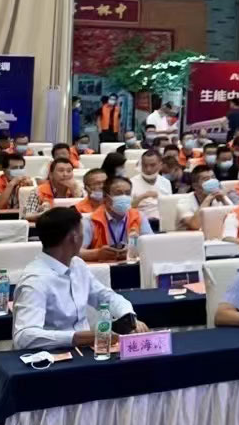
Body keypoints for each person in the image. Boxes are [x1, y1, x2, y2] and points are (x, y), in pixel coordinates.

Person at [12, 206, 149, 349]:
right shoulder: (35, 281)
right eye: (82, 232)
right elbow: (24, 336)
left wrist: (129, 318)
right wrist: (77, 338)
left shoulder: (77, 265)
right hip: (53, 354)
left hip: (88, 349)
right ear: (74, 238)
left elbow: (105, 296)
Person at [84, 173, 142, 258]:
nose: (124, 197)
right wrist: (97, 253)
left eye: (127, 193)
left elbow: (151, 245)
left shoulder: (138, 216)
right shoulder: (90, 221)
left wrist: (134, 250)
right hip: (102, 264)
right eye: (118, 193)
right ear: (105, 197)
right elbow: (77, 252)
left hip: (132, 264)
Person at [129, 148, 172, 226]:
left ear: (160, 165)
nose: (148, 169)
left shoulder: (166, 182)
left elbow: (169, 206)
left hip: (163, 222)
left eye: (153, 165)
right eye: (145, 165)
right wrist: (142, 197)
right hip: (140, 223)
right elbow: (127, 210)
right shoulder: (131, 183)